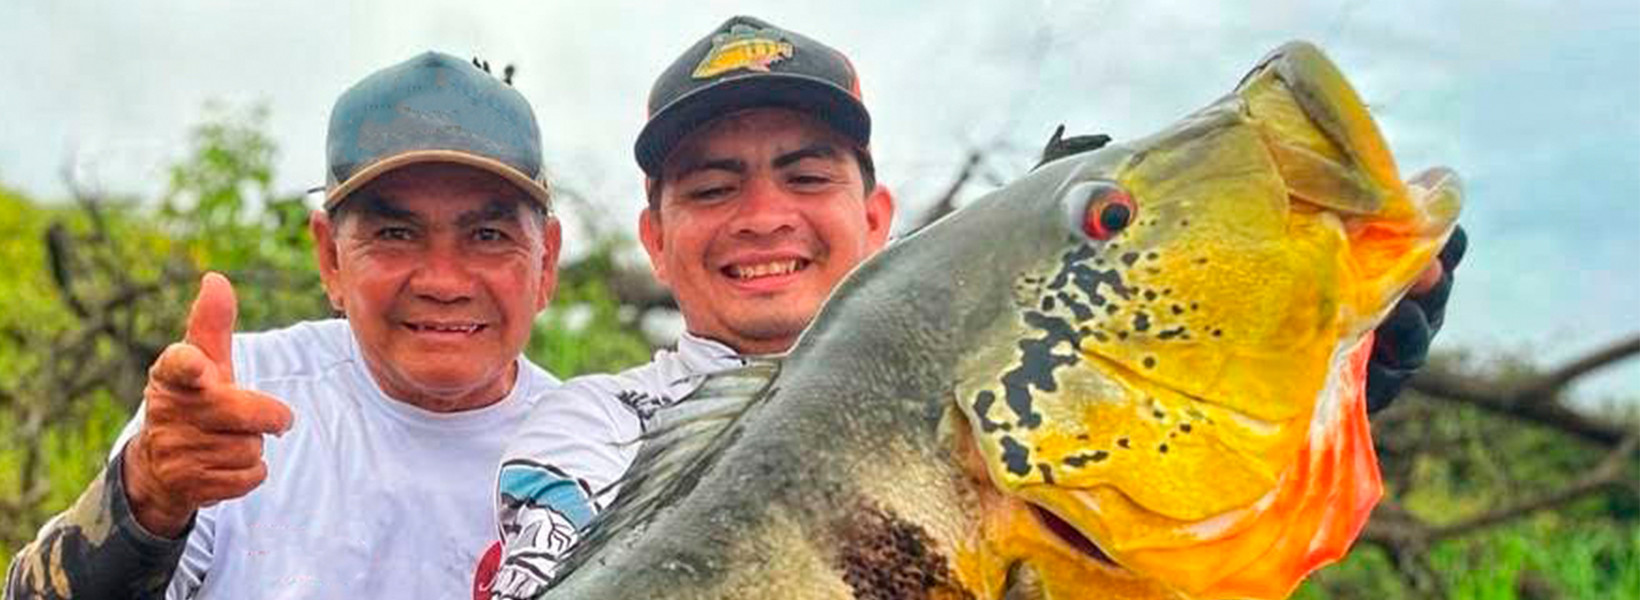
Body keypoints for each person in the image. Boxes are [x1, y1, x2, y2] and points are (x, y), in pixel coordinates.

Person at [480, 15, 1466, 599]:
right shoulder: (589, 432)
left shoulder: (1019, 441)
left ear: (875, 216)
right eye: (711, 186)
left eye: (803, 174)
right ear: (655, 240)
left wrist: (1327, 385)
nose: (763, 215)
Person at [4, 50, 563, 599]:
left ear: (546, 263)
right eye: (396, 234)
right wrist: (147, 496)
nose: (443, 281)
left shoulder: (592, 453)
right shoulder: (231, 408)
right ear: (330, 258)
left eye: (488, 236)